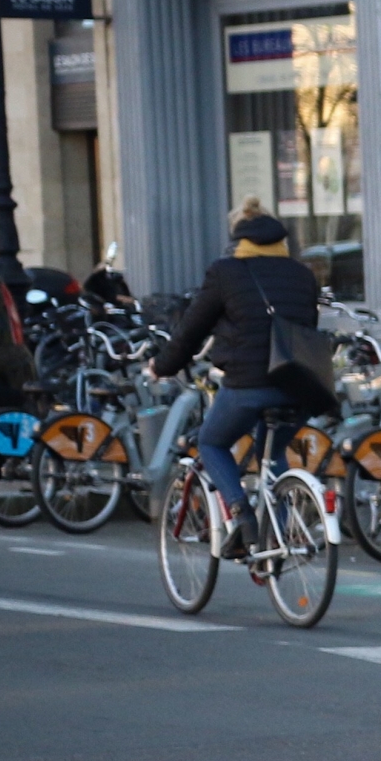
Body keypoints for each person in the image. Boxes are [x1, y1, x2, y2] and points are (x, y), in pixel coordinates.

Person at [151, 207, 321, 557]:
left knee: (211, 442)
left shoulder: (226, 272)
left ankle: (242, 517)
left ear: (240, 241)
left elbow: (191, 330)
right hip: (302, 386)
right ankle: (279, 535)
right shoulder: (303, 275)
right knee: (272, 453)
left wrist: (161, 366)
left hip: (249, 383)